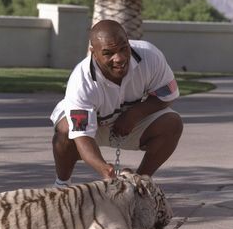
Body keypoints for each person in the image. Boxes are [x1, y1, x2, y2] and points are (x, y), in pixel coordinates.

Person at [50, 19, 183, 187]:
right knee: (66, 130)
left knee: (172, 123)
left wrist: (135, 114)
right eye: (108, 53)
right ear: (93, 52)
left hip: (129, 124)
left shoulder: (150, 56)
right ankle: (62, 185)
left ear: (128, 41)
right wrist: (104, 170)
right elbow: (82, 136)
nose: (119, 58)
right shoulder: (81, 82)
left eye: (123, 48)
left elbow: (168, 94)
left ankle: (140, 184)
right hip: (93, 128)